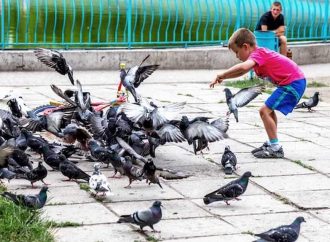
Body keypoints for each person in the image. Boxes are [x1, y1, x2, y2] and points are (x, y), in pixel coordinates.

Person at [209, 28, 306, 158]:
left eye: (237, 52)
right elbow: (242, 71)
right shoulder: (258, 55)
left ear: (245, 47)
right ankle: (272, 142)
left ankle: (275, 147)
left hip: (293, 83)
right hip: (292, 82)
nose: (237, 57)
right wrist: (224, 77)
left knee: (264, 111)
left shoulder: (257, 54)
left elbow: (243, 68)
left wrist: (222, 74)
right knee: (268, 111)